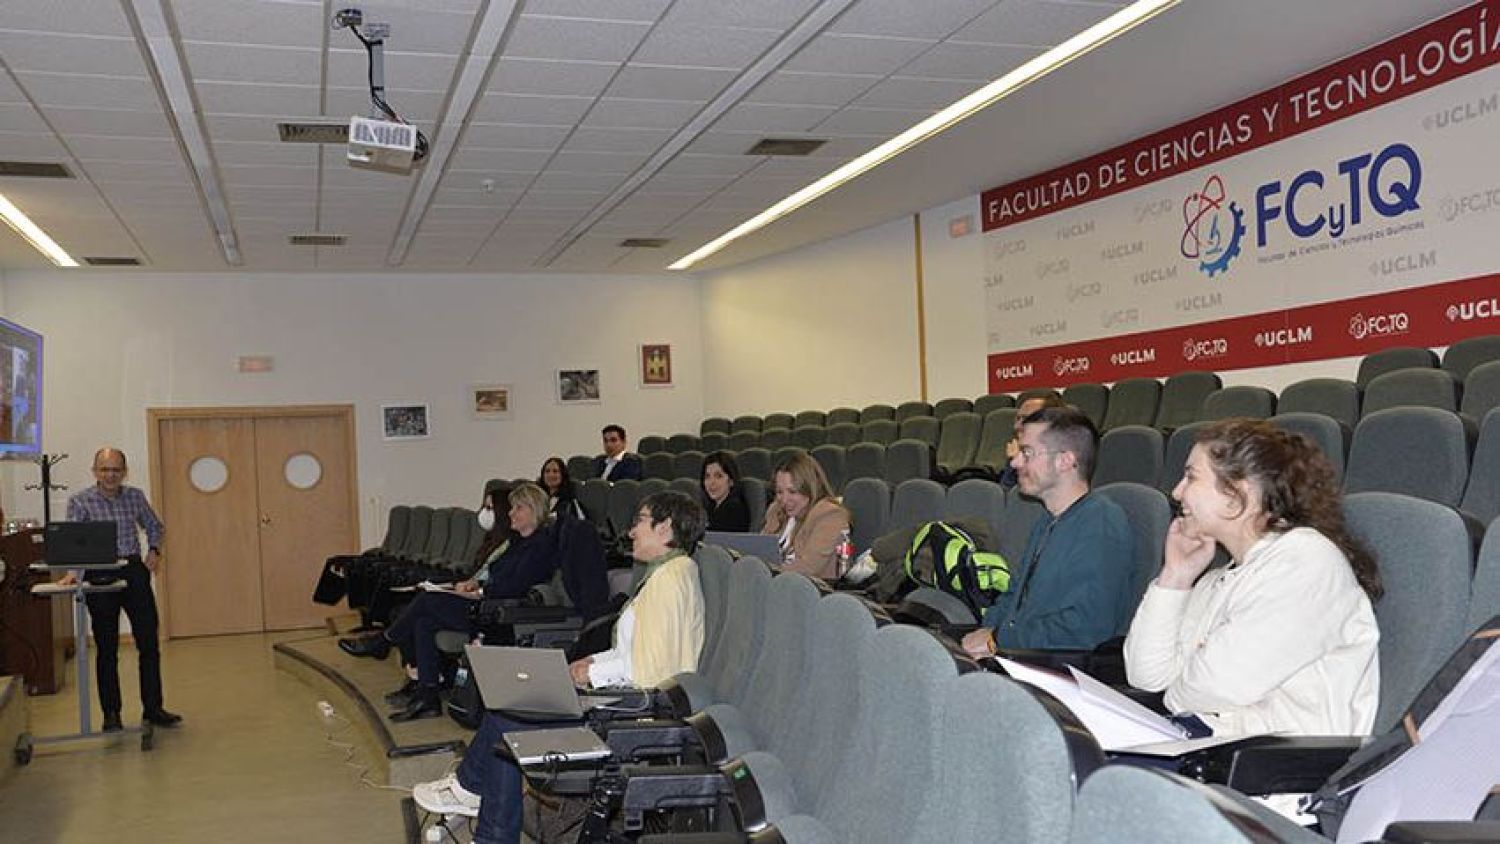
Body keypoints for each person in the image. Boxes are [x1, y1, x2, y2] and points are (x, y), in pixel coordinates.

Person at [411, 491, 707, 841]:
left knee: (511, 714)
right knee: (511, 704)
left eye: (640, 520)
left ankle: (476, 800)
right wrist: (593, 660)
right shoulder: (671, 572)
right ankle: (480, 809)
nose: (631, 531)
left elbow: (650, 675)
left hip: (632, 715)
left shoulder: (668, 583)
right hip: (628, 699)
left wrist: (592, 673)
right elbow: (641, 654)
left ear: (665, 528)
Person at [1124, 419, 1382, 736]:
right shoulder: (1221, 577)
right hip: (1213, 748)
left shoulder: (1306, 562)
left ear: (1237, 494)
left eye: (1191, 477)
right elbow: (1145, 676)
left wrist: (1178, 690)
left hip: (1276, 769)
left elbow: (1208, 688)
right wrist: (1175, 577)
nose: (1177, 492)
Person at [339, 483, 563, 721]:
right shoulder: (517, 542)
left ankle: (383, 641)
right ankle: (428, 697)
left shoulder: (540, 546)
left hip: (499, 614)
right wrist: (473, 585)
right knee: (423, 622)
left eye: (518, 508)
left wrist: (479, 590)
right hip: (486, 603)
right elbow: (496, 576)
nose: (510, 513)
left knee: (427, 601)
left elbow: (516, 586)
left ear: (534, 510)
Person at [961, 405, 1135, 656]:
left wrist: (997, 639)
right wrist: (986, 631)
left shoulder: (1101, 523)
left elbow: (1084, 628)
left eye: (1027, 453)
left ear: (1065, 460)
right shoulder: (1047, 520)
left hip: (1059, 669)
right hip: (1021, 655)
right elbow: (1013, 597)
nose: (1015, 461)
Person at [62, 447, 181, 731]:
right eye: (105, 469)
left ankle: (153, 708)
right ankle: (111, 714)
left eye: (116, 470)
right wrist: (72, 574)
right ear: (95, 472)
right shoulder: (81, 501)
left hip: (132, 570)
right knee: (106, 647)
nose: (110, 475)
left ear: (124, 472)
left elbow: (155, 526)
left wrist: (154, 550)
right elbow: (75, 542)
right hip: (100, 573)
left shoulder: (135, 496)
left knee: (149, 642)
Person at [760, 451, 850, 579]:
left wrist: (763, 573)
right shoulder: (776, 511)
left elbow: (808, 567)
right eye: (779, 492)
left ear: (811, 489)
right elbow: (759, 551)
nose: (784, 500)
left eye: (792, 491)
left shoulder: (830, 514)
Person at [998, 394, 1065, 488]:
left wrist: (1020, 463)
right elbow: (1006, 495)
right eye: (1018, 419)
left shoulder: (1062, 458)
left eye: (1025, 419)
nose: (1017, 426)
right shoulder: (1019, 452)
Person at [701, 450, 751, 532]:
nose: (711, 482)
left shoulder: (735, 510)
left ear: (731, 481)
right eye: (707, 476)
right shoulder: (711, 508)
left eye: (718, 476)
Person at [538, 456, 584, 520]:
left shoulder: (570, 500)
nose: (551, 475)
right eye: (547, 471)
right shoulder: (537, 497)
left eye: (555, 471)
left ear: (562, 475)